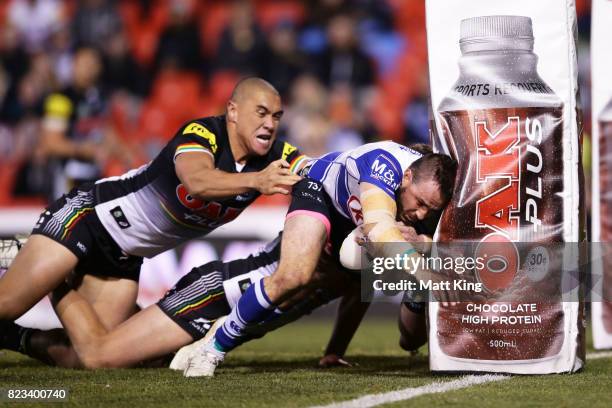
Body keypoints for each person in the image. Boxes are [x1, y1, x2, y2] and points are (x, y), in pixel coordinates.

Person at [0, 78, 305, 365]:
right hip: (88, 218)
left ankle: (16, 332)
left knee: (90, 356)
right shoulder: (203, 133)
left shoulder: (277, 156)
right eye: (262, 113)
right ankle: (55, 264)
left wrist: (350, 182)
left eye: (277, 116)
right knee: (8, 305)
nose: (270, 124)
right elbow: (197, 181)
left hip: (123, 258)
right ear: (233, 111)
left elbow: (319, 173)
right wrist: (257, 180)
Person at [190, 142, 457, 376]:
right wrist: (426, 272)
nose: (422, 214)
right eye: (420, 203)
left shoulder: (417, 190)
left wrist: (424, 244)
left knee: (363, 278)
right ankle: (213, 348)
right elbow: (378, 228)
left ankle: (334, 351)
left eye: (430, 209)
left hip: (349, 217)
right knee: (294, 276)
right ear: (407, 177)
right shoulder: (383, 165)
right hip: (319, 191)